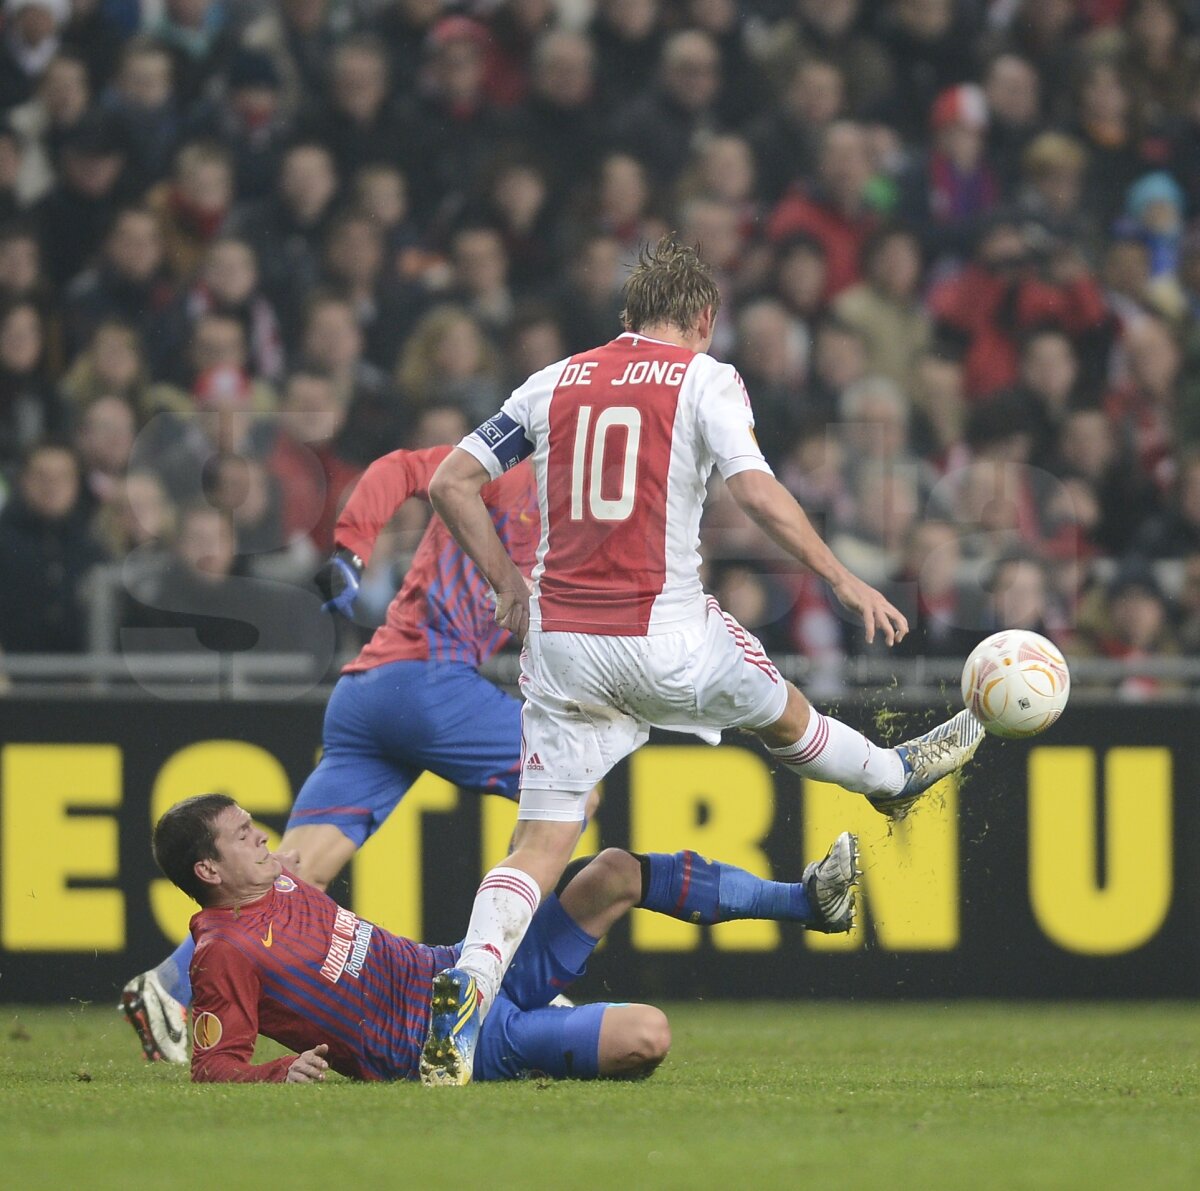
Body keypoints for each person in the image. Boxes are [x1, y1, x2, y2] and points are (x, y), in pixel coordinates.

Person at [422, 236, 986, 1085]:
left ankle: (467, 988)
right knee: (780, 707)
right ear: (704, 320)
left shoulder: (554, 380)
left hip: (564, 644)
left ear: (625, 317)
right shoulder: (705, 377)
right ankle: (888, 776)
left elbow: (449, 482)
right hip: (668, 636)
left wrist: (505, 582)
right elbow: (755, 490)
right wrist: (840, 576)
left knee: (540, 844)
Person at [146, 794, 861, 1082]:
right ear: (208, 868)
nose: (261, 835)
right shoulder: (224, 953)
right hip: (446, 1042)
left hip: (461, 970)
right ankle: (540, 1048)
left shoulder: (278, 879)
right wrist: (283, 1071)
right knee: (650, 1034)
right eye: (243, 834)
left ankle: (809, 901)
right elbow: (214, 1068)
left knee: (612, 871)